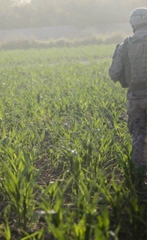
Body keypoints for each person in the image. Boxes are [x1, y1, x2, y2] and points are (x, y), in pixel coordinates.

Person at [109, 7, 147, 205]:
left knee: (138, 135)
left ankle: (139, 178)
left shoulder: (125, 45)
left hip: (135, 97)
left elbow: (114, 74)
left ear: (133, 24)